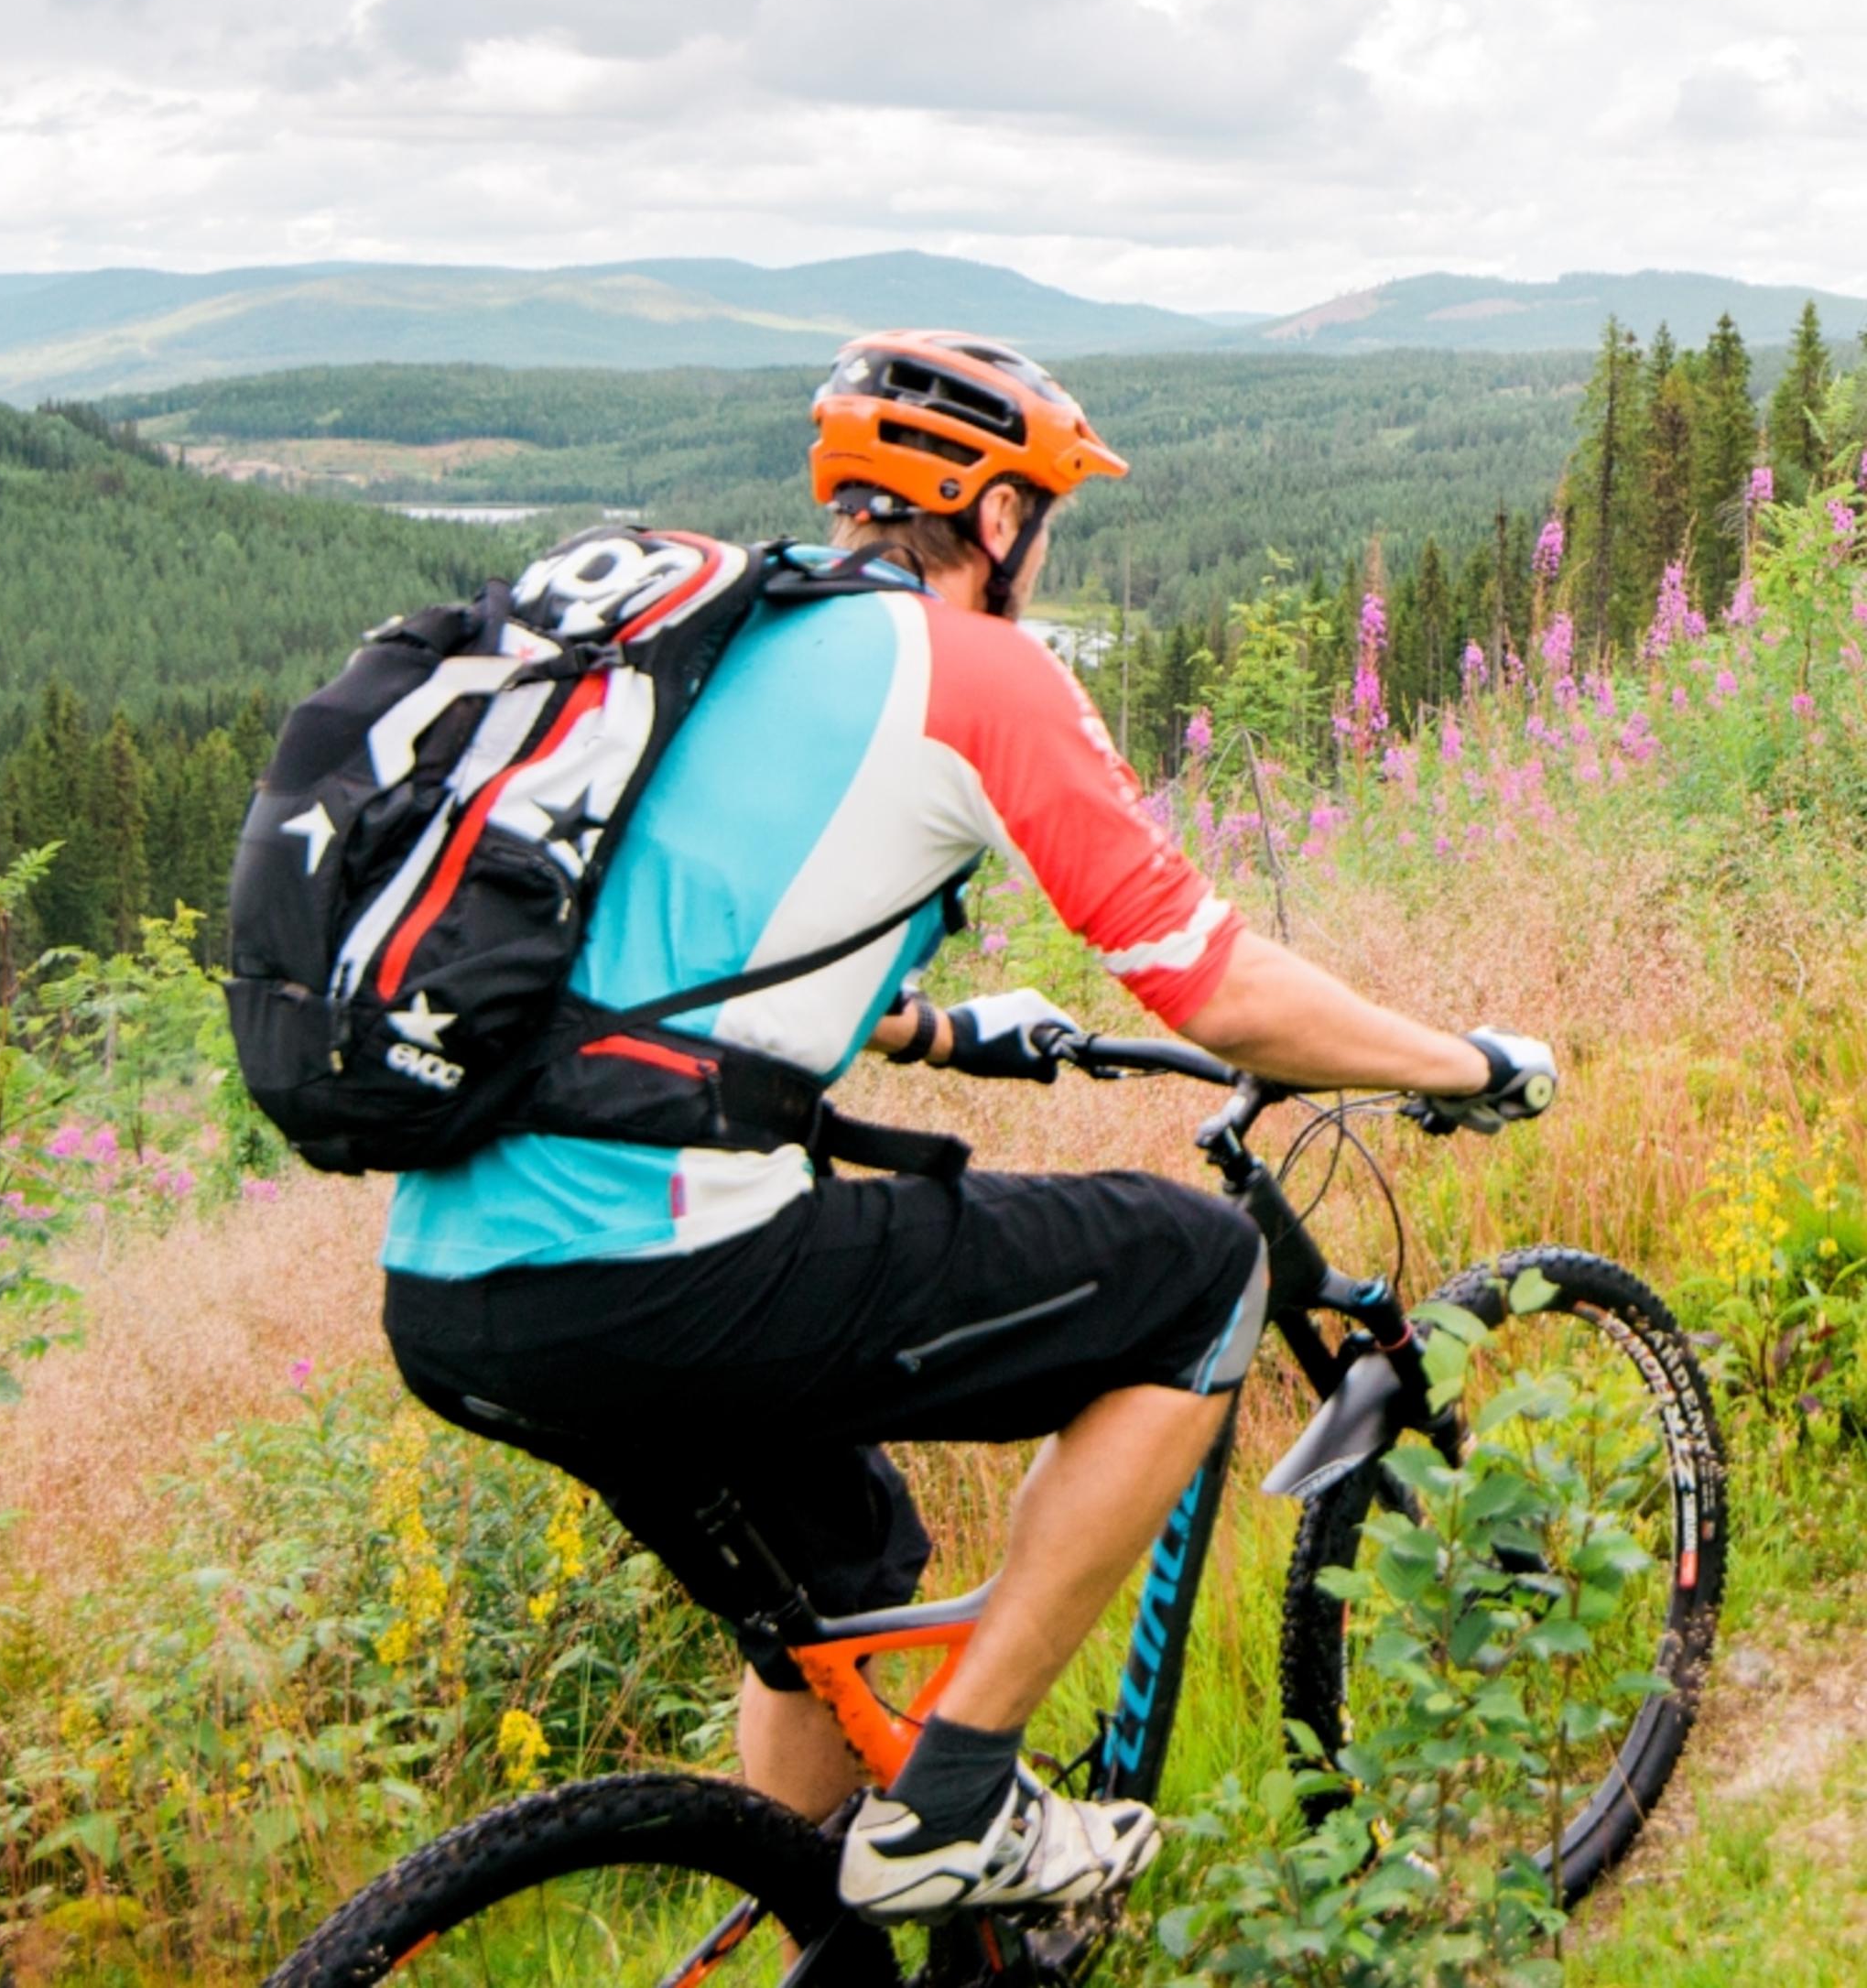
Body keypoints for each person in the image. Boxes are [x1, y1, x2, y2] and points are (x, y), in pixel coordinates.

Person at [379, 331, 1556, 1921]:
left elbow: (696, 953)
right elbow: (1210, 980)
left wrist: (939, 1026)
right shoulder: (980, 668)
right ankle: (959, 1798)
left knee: (844, 1591)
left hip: (456, 1282)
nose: (1048, 543)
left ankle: (806, 1931)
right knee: (1202, 1271)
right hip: (662, 1263)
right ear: (997, 519)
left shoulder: (730, 642)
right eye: (1048, 513)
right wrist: (1454, 1065)